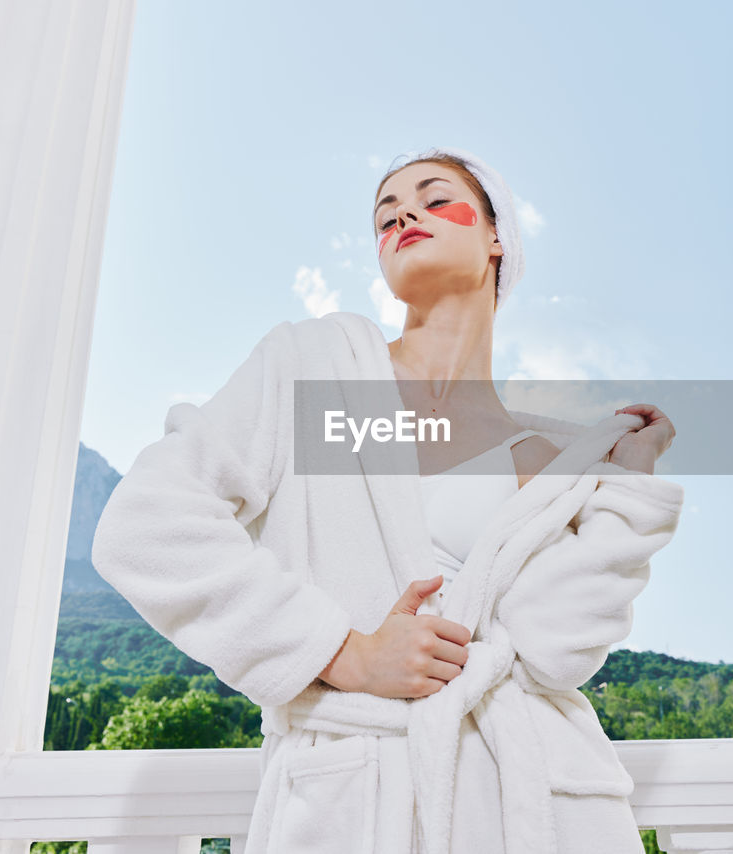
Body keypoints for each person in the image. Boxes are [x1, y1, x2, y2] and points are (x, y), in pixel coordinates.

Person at [91, 146, 684, 854]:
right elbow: (147, 523)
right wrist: (343, 652)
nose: (404, 213)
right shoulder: (319, 368)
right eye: (386, 213)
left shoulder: (553, 460)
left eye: (436, 199)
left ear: (498, 237)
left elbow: (555, 655)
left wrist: (630, 490)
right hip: (353, 807)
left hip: (534, 811)